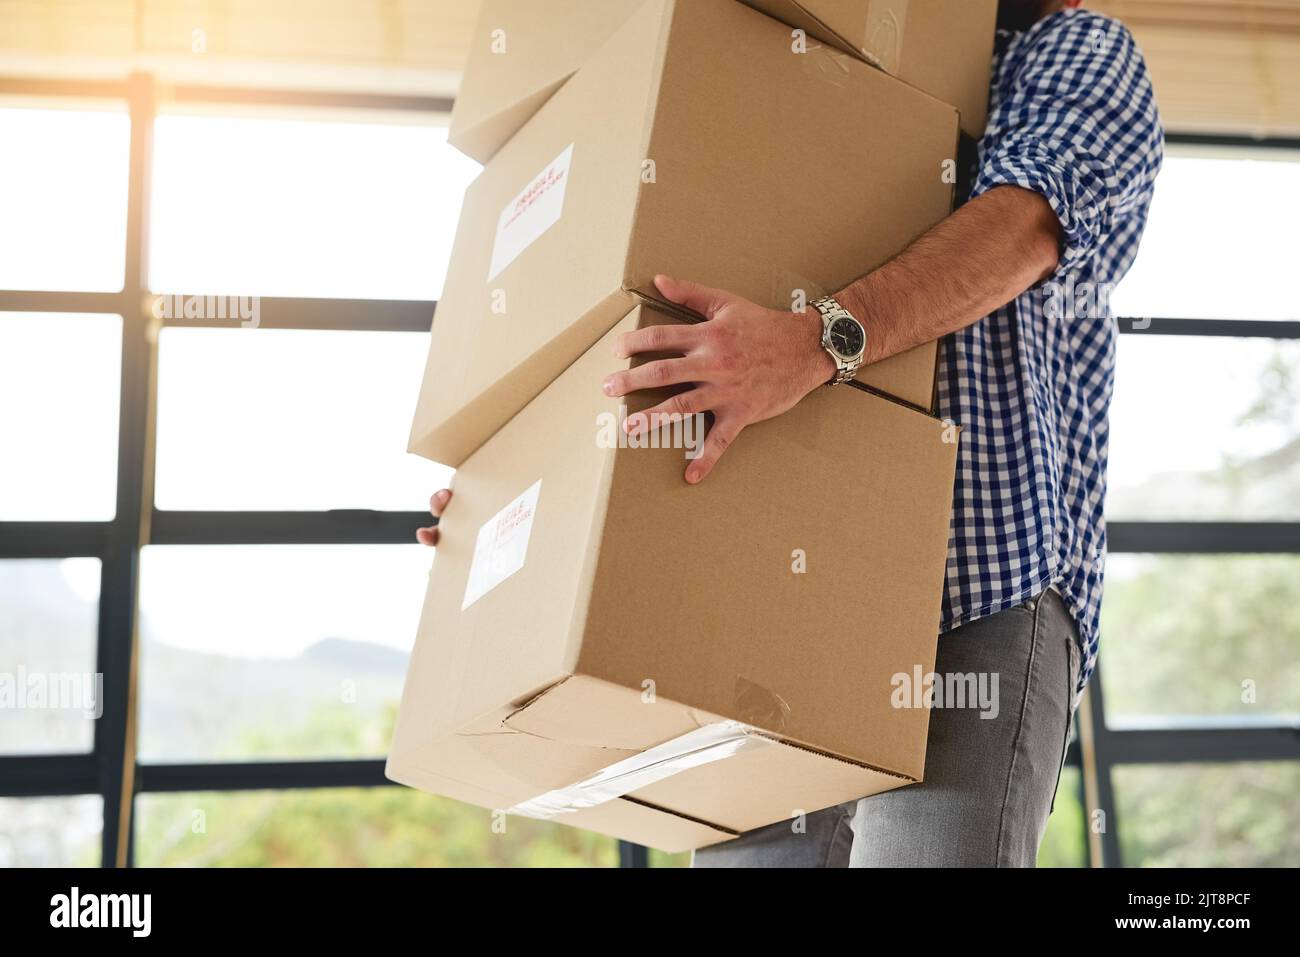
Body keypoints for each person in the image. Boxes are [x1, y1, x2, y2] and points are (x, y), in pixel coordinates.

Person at [418, 0, 1163, 867]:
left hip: (967, 598)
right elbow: (635, 305)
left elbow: (1029, 225)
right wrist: (524, 475)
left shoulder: (1070, 47)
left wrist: (816, 341)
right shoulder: (758, 65)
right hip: (760, 618)